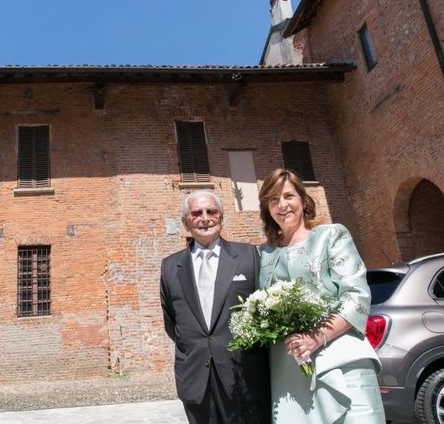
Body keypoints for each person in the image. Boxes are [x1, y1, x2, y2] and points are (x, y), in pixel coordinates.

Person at [258, 168, 385, 423]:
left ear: (303, 200)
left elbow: (357, 296)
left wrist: (316, 338)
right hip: (289, 368)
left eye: (288, 196)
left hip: (342, 358)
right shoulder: (264, 254)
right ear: (267, 208)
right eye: (273, 199)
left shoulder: (331, 235)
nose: (282, 205)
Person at [160, 189, 270, 424]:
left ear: (221, 217)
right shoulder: (170, 266)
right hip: (196, 377)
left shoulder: (248, 255)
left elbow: (263, 309)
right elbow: (172, 321)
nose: (205, 218)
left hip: (243, 375)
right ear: (185, 222)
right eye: (196, 213)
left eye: (211, 211)